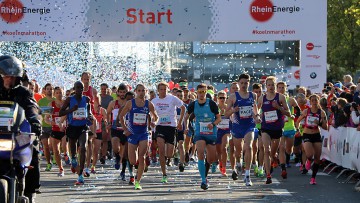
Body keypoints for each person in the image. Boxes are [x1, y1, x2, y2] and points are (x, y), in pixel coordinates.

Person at [0, 55, 42, 202]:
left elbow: (32, 108)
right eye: (6, 77)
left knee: (33, 151)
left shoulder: (24, 93)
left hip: (16, 134)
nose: (10, 80)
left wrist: (35, 122)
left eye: (13, 77)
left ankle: (30, 191)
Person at [119, 84, 158, 190]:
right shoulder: (130, 103)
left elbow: (156, 116)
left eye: (143, 90)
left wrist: (153, 123)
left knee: (142, 157)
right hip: (132, 134)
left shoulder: (148, 104)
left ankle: (138, 182)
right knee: (132, 161)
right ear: (136, 91)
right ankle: (136, 168)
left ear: (146, 91)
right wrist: (125, 129)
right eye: (139, 91)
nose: (141, 92)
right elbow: (121, 116)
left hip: (144, 134)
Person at [225, 74, 261, 186]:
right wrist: (233, 110)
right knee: (238, 151)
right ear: (239, 83)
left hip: (249, 125)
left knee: (249, 146)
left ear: (249, 83)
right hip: (237, 126)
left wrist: (257, 116)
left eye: (246, 83)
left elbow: (255, 109)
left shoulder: (253, 95)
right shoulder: (233, 97)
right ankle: (239, 163)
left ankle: (247, 175)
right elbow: (226, 114)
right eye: (242, 83)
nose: (244, 85)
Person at [257, 76, 291, 184]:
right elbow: (256, 110)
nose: (271, 87)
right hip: (265, 128)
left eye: (272, 85)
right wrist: (257, 116)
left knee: (273, 153)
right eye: (269, 85)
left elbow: (288, 113)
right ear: (266, 86)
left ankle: (276, 162)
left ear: (275, 86)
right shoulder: (262, 98)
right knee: (266, 150)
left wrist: (278, 107)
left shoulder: (280, 97)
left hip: (277, 129)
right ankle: (268, 175)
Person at [59, 81, 93, 185]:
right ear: (74, 88)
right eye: (77, 88)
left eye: (81, 88)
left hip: (83, 127)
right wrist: (71, 110)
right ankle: (73, 158)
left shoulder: (86, 99)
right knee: (73, 151)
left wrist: (90, 117)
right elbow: (61, 113)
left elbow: (89, 112)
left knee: (83, 148)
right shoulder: (70, 99)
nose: (79, 90)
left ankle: (80, 175)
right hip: (72, 127)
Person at [152, 82, 185, 183]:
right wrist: (152, 122)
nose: (163, 91)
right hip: (160, 126)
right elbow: (149, 113)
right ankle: (164, 174)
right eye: (161, 89)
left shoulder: (172, 98)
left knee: (169, 154)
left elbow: (183, 108)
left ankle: (168, 159)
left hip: (171, 126)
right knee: (161, 150)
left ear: (168, 90)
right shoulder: (154, 101)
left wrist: (180, 123)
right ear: (158, 91)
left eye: (165, 89)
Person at [295, 94, 328, 184]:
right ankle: (308, 161)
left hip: (316, 134)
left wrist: (320, 123)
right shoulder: (306, 111)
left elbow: (326, 127)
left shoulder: (321, 112)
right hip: (307, 134)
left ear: (318, 101)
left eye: (316, 100)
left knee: (317, 158)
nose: (314, 101)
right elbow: (297, 121)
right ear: (310, 101)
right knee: (309, 154)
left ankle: (313, 178)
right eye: (312, 100)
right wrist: (297, 130)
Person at [276, 82, 301, 168]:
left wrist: (294, 116)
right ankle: (283, 163)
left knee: (289, 148)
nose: (281, 89)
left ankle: (286, 160)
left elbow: (299, 111)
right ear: (277, 88)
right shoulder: (274, 100)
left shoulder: (290, 100)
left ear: (285, 88)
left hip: (290, 127)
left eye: (283, 87)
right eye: (279, 87)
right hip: (279, 127)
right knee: (281, 147)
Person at [44, 87, 67, 177]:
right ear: (54, 94)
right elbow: (46, 119)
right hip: (55, 129)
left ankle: (66, 154)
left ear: (63, 93)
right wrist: (51, 122)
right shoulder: (51, 104)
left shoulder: (66, 103)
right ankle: (61, 169)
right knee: (56, 151)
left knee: (64, 145)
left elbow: (68, 114)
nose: (59, 94)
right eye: (57, 93)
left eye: (60, 92)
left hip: (64, 129)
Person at [106, 84, 129, 174]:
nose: (122, 94)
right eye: (121, 92)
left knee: (124, 151)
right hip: (115, 128)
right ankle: (117, 156)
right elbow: (107, 113)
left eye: (124, 92)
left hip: (126, 129)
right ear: (118, 92)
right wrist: (108, 123)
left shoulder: (129, 103)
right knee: (115, 147)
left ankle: (122, 169)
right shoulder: (113, 103)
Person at [38, 83, 55, 172]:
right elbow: (38, 113)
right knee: (45, 145)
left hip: (53, 126)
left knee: (52, 146)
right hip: (44, 126)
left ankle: (55, 157)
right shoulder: (41, 101)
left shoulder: (56, 100)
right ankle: (49, 163)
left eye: (51, 89)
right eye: (47, 89)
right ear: (44, 90)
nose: (49, 90)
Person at [214, 90, 230, 176]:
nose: (222, 99)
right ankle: (220, 162)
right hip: (217, 130)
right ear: (217, 98)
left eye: (224, 97)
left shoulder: (228, 107)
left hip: (226, 130)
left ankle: (224, 167)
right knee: (218, 150)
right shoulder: (215, 107)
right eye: (221, 98)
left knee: (224, 148)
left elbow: (232, 117)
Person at [99, 83, 113, 164]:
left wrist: (109, 121)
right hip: (98, 120)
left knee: (105, 139)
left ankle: (103, 156)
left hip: (106, 120)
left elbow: (110, 111)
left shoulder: (110, 98)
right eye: (102, 89)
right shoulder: (98, 97)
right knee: (98, 139)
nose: (103, 90)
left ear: (107, 89)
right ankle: (99, 153)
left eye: (105, 89)